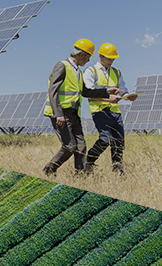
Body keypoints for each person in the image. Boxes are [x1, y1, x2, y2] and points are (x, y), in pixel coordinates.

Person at [43, 39, 120, 175]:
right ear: (82, 55)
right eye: (89, 56)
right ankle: (49, 169)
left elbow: (86, 92)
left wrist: (107, 91)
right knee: (70, 146)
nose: (89, 60)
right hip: (61, 113)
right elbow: (52, 91)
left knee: (81, 146)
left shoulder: (78, 72)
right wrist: (58, 114)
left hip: (74, 114)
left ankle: (81, 176)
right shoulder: (62, 66)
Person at [83, 43, 138, 175]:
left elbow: (123, 89)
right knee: (105, 139)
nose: (111, 61)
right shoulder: (91, 71)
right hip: (100, 110)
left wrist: (127, 96)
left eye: (113, 59)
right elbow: (89, 93)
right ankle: (88, 162)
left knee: (119, 141)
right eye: (109, 58)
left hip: (115, 111)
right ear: (100, 56)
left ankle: (118, 170)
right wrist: (108, 99)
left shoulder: (116, 72)